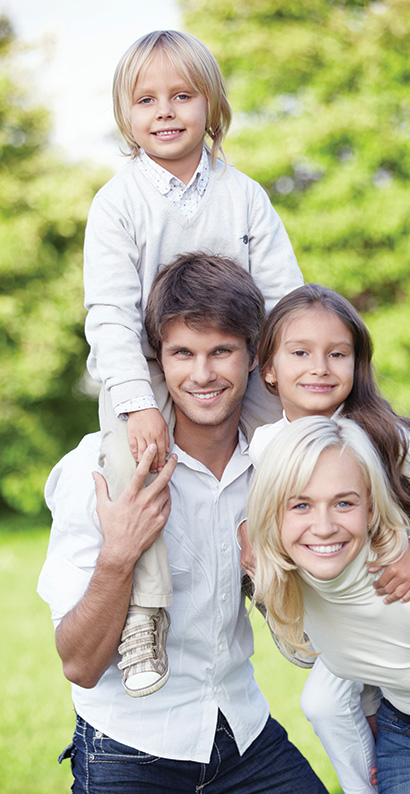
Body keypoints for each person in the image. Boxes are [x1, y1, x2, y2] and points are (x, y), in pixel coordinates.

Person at [38, 254, 342, 794]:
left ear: (254, 357)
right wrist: (119, 556)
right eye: (183, 353)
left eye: (221, 351)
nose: (202, 374)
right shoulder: (98, 471)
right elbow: (78, 663)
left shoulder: (277, 466)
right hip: (128, 745)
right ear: (158, 360)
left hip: (240, 731)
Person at [83, 29, 302, 696]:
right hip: (148, 369)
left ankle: (267, 574)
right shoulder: (118, 202)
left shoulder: (244, 197)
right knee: (131, 458)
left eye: (183, 95)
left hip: (236, 360)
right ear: (127, 116)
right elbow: (110, 314)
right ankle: (144, 612)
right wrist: (140, 404)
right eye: (147, 100)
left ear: (212, 105)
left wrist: (294, 385)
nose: (166, 111)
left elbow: (285, 295)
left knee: (288, 442)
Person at [240, 282, 410, 794]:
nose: (319, 367)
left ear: (357, 363)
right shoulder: (268, 446)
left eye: (337, 354)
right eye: (300, 353)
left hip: (409, 593)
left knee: (371, 689)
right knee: (323, 701)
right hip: (348, 621)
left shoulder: (385, 435)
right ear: (268, 368)